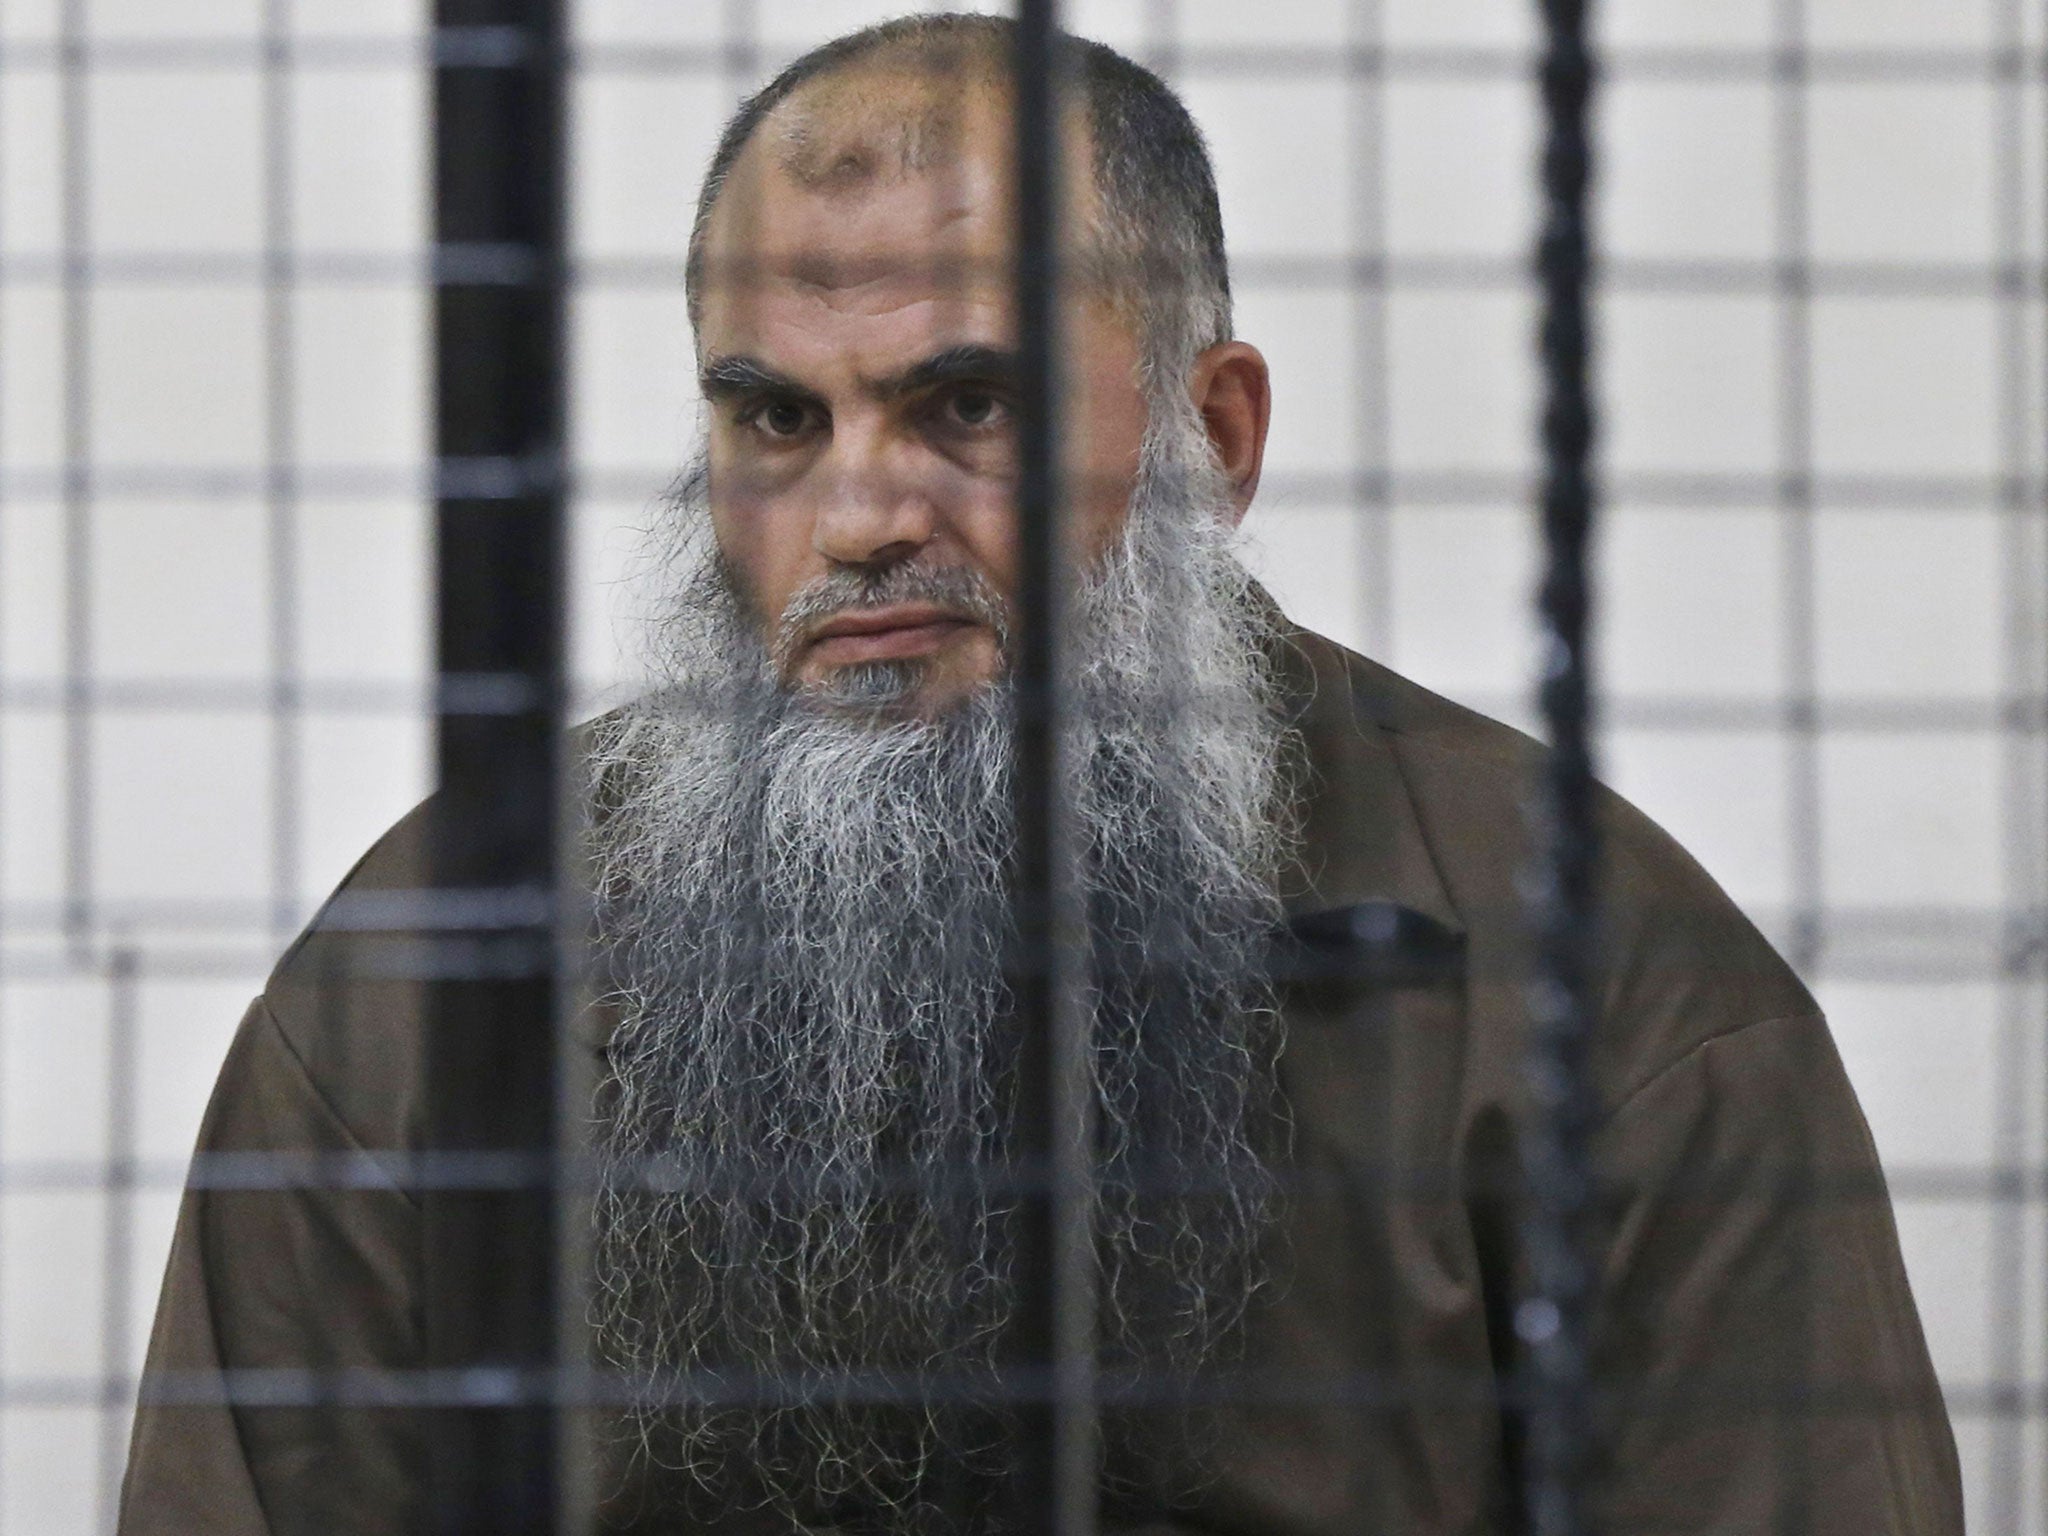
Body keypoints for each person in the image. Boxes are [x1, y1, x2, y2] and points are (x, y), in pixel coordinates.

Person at [119, 15, 1962, 1535]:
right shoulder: (425, 982)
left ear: (1211, 435)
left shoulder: (1601, 984)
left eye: (965, 406)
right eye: (777, 417)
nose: (855, 516)